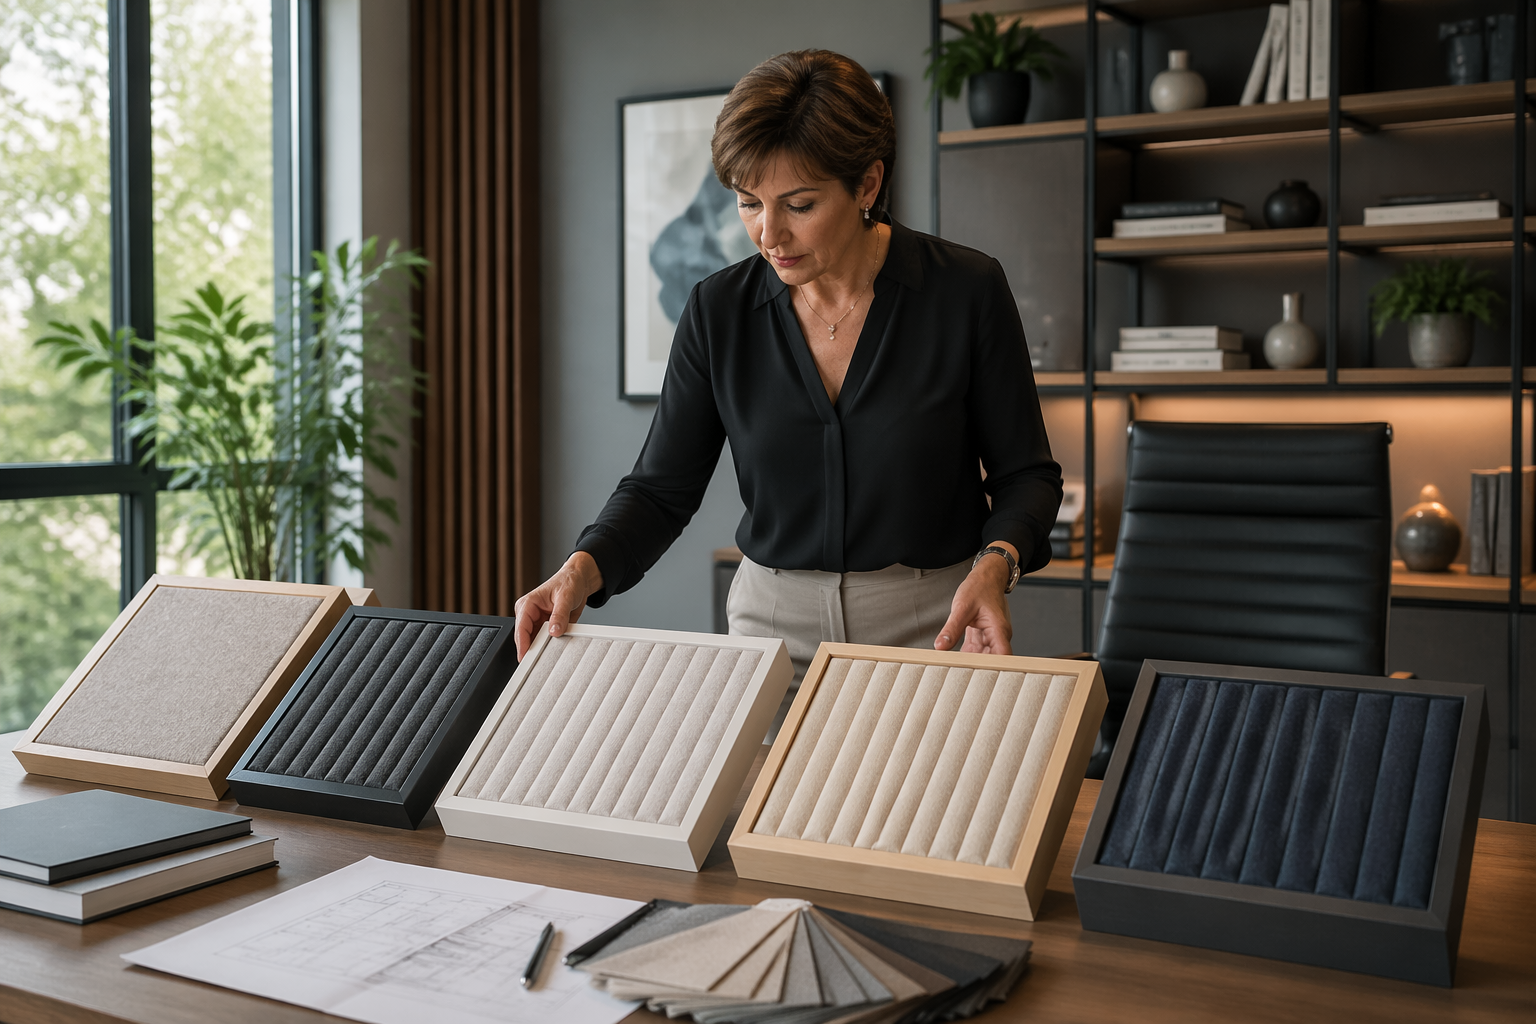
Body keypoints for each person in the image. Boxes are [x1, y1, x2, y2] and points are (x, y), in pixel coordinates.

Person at [515, 49, 1062, 684]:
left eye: (798, 205)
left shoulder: (965, 290)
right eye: (749, 203)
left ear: (867, 185)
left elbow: (1027, 475)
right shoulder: (717, 310)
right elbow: (661, 488)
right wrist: (582, 567)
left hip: (936, 626)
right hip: (770, 633)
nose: (768, 233)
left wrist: (997, 563)